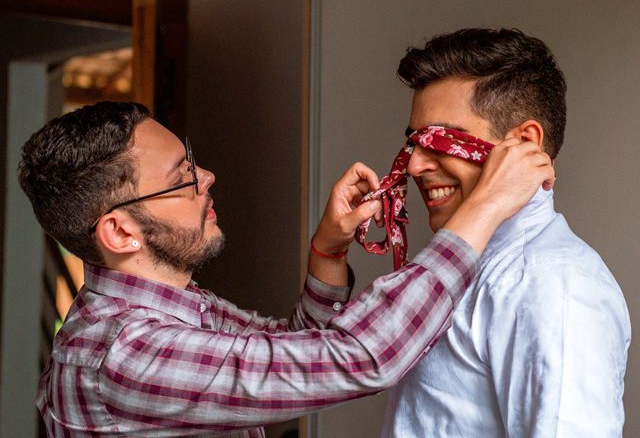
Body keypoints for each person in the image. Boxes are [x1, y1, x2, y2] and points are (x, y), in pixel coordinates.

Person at [20, 101, 553, 437]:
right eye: (182, 177)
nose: (207, 176)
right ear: (119, 232)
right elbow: (356, 359)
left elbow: (296, 353)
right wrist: (484, 210)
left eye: (192, 159)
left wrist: (328, 250)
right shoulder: (125, 353)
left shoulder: (179, 312)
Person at [381, 28, 631, 437]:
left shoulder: (555, 284)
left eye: (442, 140)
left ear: (525, 143)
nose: (414, 167)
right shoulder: (457, 268)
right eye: (414, 145)